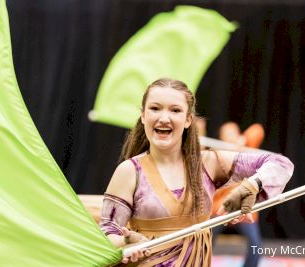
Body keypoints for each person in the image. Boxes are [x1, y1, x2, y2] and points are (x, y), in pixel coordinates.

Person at [99, 78, 294, 266]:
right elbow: (106, 233)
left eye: (175, 110)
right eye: (155, 108)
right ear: (143, 116)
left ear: (187, 119)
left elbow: (281, 163)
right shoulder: (129, 171)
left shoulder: (209, 163)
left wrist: (254, 184)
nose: (164, 118)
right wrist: (126, 244)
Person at [212, 122, 265, 267]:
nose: (230, 138)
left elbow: (258, 130)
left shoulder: (247, 150)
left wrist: (242, 142)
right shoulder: (216, 157)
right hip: (220, 209)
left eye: (233, 134)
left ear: (239, 135)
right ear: (221, 138)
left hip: (244, 210)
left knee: (255, 246)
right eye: (226, 135)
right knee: (204, 242)